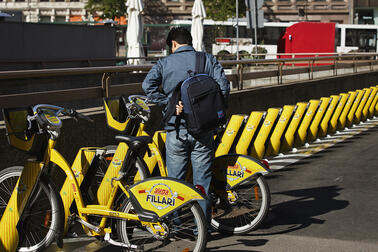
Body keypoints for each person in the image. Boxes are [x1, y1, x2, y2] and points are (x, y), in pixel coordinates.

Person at [142, 27, 230, 233]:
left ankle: (177, 226)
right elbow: (224, 88)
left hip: (176, 129)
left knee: (175, 182)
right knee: (203, 182)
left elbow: (148, 86)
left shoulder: (164, 63)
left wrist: (168, 104)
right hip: (204, 130)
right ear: (190, 42)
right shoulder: (207, 59)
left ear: (173, 44)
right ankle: (203, 229)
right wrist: (212, 113)